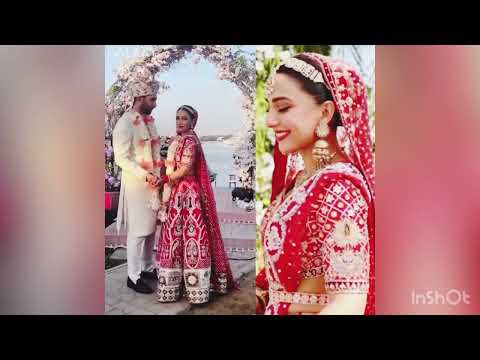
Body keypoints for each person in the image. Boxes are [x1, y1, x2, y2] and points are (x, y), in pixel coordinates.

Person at [256, 54, 375, 315]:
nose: (269, 120)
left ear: (325, 112)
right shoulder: (300, 180)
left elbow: (348, 304)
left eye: (283, 107)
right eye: (269, 108)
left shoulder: (339, 188)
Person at [156, 105, 235, 304]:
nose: (179, 122)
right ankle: (178, 287)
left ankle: (194, 289)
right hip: (178, 192)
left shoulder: (190, 141)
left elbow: (185, 168)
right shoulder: (181, 140)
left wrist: (164, 180)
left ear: (193, 122)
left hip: (187, 193)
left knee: (191, 236)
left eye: (184, 118)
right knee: (178, 236)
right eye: (177, 118)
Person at [112, 79, 165, 294]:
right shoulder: (125, 123)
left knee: (151, 230)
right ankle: (132, 277)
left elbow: (153, 152)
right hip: (137, 184)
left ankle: (147, 267)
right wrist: (145, 176)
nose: (155, 103)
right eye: (152, 99)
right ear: (140, 98)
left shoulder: (148, 121)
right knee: (138, 231)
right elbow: (121, 158)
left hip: (153, 184)